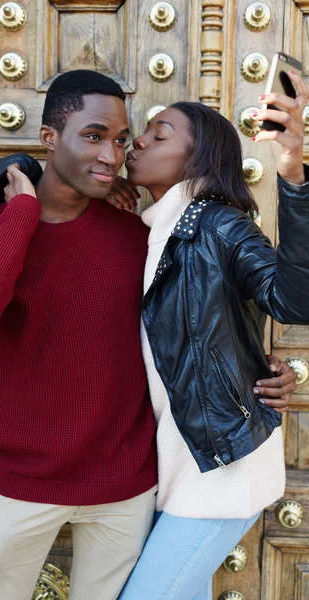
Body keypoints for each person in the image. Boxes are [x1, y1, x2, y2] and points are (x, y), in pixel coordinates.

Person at [0, 69, 296, 600]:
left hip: (128, 485)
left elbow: (205, 316)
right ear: (49, 138)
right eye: (94, 136)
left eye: (122, 140)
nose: (112, 154)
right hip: (22, 484)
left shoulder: (140, 236)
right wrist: (23, 213)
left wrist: (258, 370)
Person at [105, 72, 309, 600]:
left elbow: (292, 301)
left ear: (198, 159)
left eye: (161, 132)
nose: (139, 141)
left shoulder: (219, 225)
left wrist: (292, 174)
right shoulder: (153, 231)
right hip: (175, 464)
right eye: (143, 132)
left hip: (222, 470)